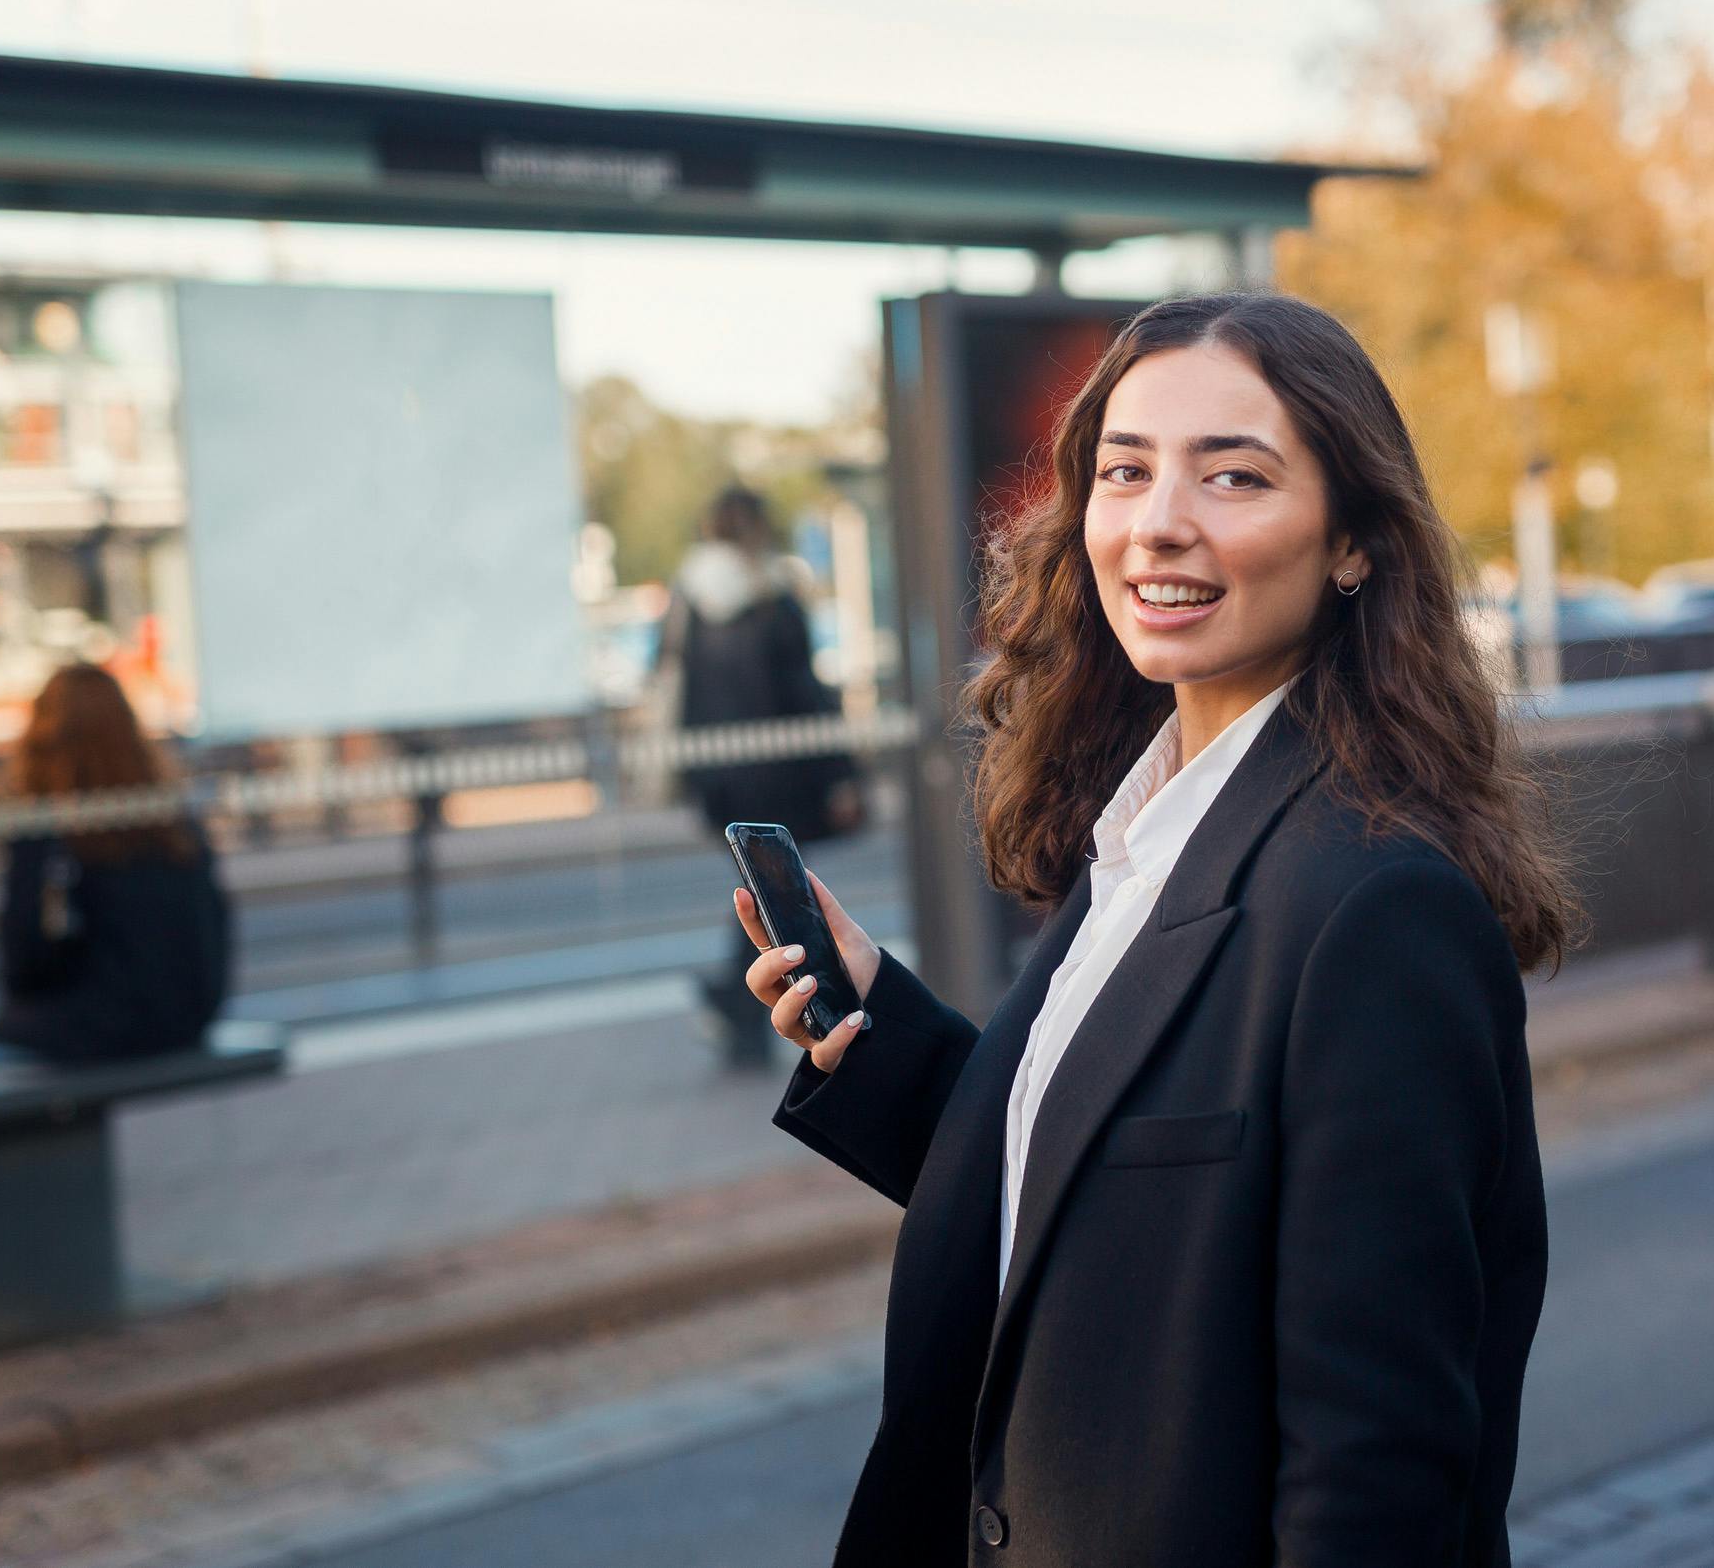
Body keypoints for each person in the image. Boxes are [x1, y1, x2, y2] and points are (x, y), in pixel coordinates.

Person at [735, 292, 1577, 1566]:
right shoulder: (1146, 834)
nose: (1158, 523)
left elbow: (1378, 1472)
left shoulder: (1379, 908)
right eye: (1124, 471)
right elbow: (1120, 1199)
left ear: (1352, 540)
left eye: (1233, 475)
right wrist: (884, 1036)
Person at [0, 663, 231, 1075]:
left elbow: (24, 964)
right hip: (188, 1019)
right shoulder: (170, 820)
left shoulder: (46, 829)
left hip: (98, 1026)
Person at [660, 486, 863, 1072]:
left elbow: (682, 688)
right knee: (780, 893)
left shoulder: (690, 598)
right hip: (782, 771)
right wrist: (839, 773)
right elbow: (805, 691)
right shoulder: (774, 595)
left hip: (721, 772)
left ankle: (738, 1003)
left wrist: (694, 774)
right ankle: (760, 1004)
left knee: (761, 893)